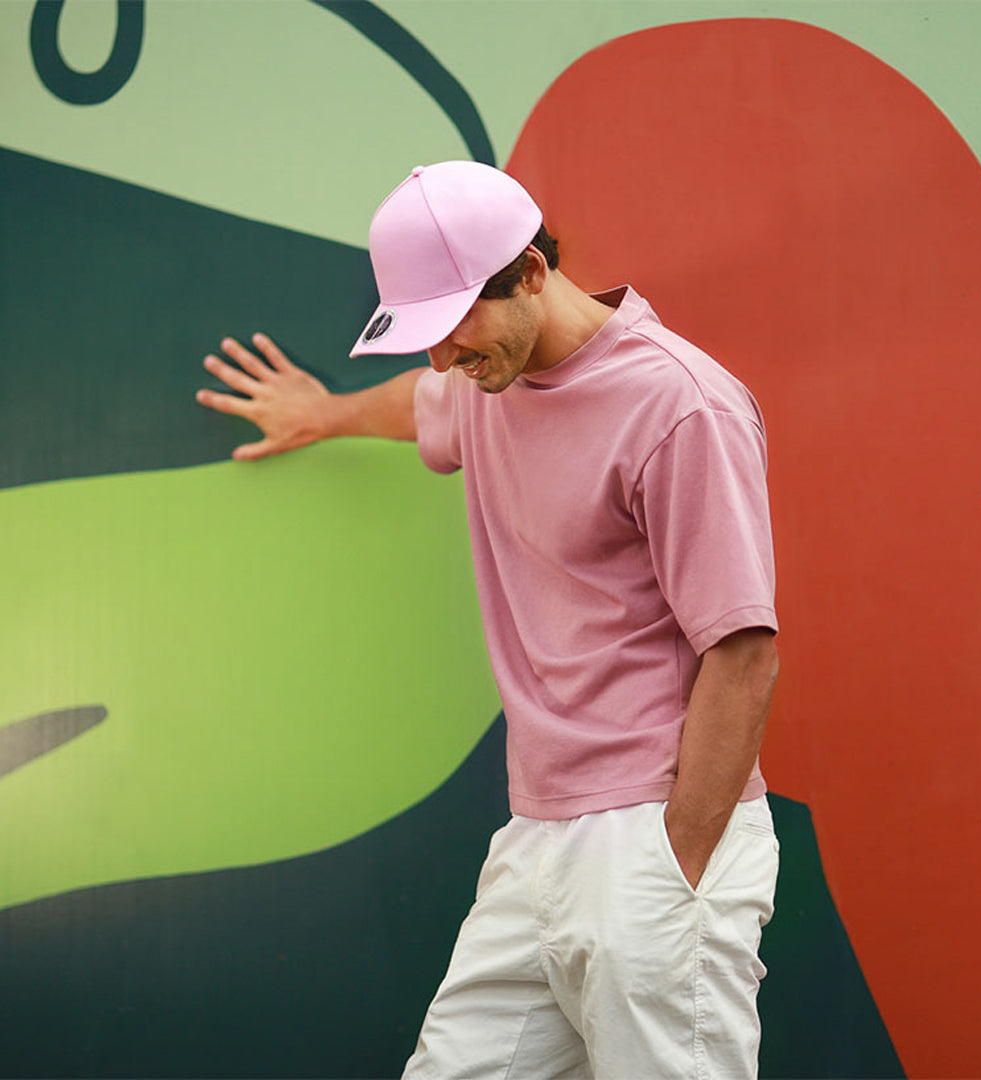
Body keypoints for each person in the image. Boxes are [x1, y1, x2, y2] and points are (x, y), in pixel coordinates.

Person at [197, 161, 780, 1080]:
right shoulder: (485, 381)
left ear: (532, 273)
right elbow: (421, 402)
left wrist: (677, 869)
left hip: (653, 829)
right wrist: (325, 413)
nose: (440, 360)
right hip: (535, 837)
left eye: (451, 329)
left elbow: (742, 654)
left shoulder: (680, 405)